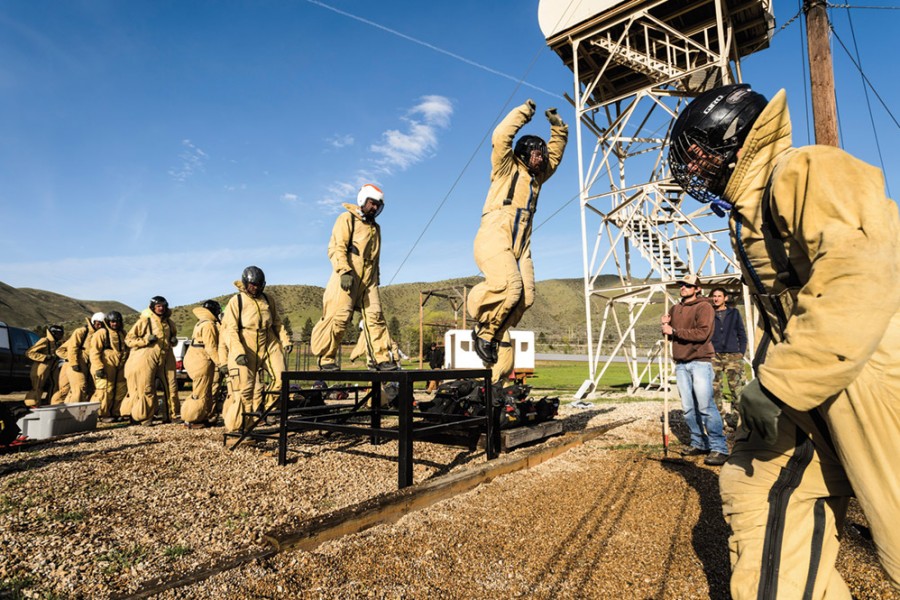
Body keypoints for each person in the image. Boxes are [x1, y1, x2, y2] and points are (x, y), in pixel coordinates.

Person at [667, 83, 900, 596]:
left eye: (699, 150)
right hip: (811, 387)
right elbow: (787, 313)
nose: (694, 166)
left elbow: (860, 272)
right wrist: (771, 378)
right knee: (758, 487)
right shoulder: (750, 211)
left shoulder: (806, 169)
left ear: (732, 139)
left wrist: (780, 386)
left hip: (871, 377)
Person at [467, 99, 567, 384]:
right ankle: (480, 320)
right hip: (494, 232)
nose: (541, 157)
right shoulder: (504, 167)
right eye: (537, 152)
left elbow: (556, 156)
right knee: (509, 287)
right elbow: (501, 137)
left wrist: (558, 129)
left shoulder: (538, 178)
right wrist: (524, 113)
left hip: (521, 241)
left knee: (526, 296)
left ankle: (492, 335)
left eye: (542, 154)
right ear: (524, 152)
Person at [310, 184, 397, 372]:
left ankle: (380, 358)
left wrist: (376, 279)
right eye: (372, 203)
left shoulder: (376, 228)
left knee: (376, 317)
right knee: (339, 317)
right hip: (348, 275)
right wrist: (344, 270)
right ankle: (326, 358)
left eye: (378, 205)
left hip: (369, 280)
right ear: (362, 200)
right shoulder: (347, 218)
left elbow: (375, 257)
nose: (374, 208)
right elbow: (336, 247)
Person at [660, 274, 729, 466]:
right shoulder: (675, 308)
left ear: (697, 288)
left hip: (700, 361)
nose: (683, 287)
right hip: (681, 363)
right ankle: (699, 442)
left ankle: (719, 448)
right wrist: (665, 325)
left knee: (706, 406)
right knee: (689, 409)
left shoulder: (704, 306)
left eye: (688, 285)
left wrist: (673, 331)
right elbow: (670, 336)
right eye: (682, 284)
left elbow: (702, 333)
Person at [220, 266, 291, 432]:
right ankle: (238, 428)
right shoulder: (236, 301)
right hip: (246, 342)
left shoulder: (268, 299)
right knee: (245, 390)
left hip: (268, 340)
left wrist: (285, 340)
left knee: (282, 379)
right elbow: (230, 329)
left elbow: (277, 323)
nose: (256, 288)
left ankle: (265, 410)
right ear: (246, 283)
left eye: (259, 284)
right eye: (253, 284)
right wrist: (237, 351)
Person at [124, 296, 180, 425]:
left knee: (171, 387)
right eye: (158, 306)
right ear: (153, 308)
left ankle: (173, 415)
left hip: (166, 357)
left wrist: (174, 341)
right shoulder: (144, 321)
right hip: (147, 357)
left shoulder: (170, 323)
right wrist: (145, 341)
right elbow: (128, 340)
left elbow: (174, 337)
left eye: (163, 306)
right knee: (147, 387)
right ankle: (145, 416)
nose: (161, 308)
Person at [182, 300, 225, 428]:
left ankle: (199, 416)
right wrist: (221, 363)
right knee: (200, 392)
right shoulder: (209, 325)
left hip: (194, 357)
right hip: (202, 360)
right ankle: (192, 419)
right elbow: (211, 347)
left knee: (201, 390)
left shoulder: (200, 323)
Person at [709, 287, 747, 429]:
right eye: (714, 296)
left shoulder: (734, 313)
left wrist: (740, 353)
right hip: (715, 355)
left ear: (725, 298)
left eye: (719, 296)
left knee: (737, 389)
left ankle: (738, 421)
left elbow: (742, 334)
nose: (716, 298)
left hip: (733, 356)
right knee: (714, 389)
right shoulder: (709, 313)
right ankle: (720, 419)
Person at [56, 313, 105, 404]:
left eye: (102, 324)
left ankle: (65, 409)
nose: (99, 326)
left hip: (86, 366)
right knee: (79, 387)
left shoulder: (100, 335)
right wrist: (74, 362)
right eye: (98, 323)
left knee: (77, 390)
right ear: (93, 322)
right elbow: (72, 348)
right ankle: (71, 411)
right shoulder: (81, 332)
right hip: (76, 364)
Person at [89, 311, 128, 422]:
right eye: (112, 322)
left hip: (120, 366)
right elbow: (94, 351)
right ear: (108, 322)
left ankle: (115, 412)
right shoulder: (102, 333)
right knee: (104, 390)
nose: (115, 324)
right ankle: (101, 414)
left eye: (117, 321)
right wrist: (98, 367)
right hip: (105, 366)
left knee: (120, 390)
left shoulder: (122, 333)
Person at [24, 324, 64, 407]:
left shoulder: (56, 343)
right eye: (59, 334)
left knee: (55, 386)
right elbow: (29, 353)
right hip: (41, 367)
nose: (61, 336)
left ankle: (51, 403)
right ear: (54, 333)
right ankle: (32, 405)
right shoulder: (44, 340)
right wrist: (45, 357)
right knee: (37, 386)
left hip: (53, 367)